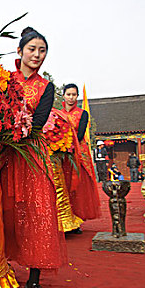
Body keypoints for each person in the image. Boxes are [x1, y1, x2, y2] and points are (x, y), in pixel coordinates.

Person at [0, 27, 67, 288]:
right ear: (19, 52)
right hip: (4, 154)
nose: (37, 55)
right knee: (1, 213)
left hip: (31, 155)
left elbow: (38, 121)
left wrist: (17, 131)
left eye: (42, 51)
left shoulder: (46, 87)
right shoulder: (3, 81)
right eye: (32, 50)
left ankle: (33, 282)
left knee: (37, 215)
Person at [60, 83, 102, 232]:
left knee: (78, 187)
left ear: (77, 96)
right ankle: (65, 218)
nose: (71, 97)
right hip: (61, 154)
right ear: (63, 95)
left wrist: (70, 146)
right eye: (68, 94)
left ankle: (77, 220)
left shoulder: (82, 113)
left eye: (74, 95)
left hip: (78, 152)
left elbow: (80, 133)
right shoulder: (57, 114)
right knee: (63, 185)